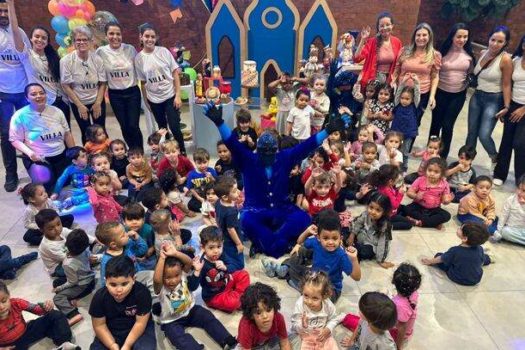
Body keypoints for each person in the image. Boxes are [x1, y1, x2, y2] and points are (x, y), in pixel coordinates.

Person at [203, 100, 351, 258]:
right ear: (257, 150)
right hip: (255, 210)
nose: (267, 155)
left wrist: (328, 130)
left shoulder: (285, 157)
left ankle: (269, 244)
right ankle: (281, 243)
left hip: (283, 208)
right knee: (246, 221)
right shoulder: (248, 159)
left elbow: (307, 145)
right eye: (263, 152)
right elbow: (232, 142)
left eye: (271, 151)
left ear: (277, 150)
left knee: (303, 218)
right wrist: (219, 122)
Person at [153, 242, 238, 350]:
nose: (173, 280)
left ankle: (227, 340)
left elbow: (189, 262)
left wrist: (175, 253)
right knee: (177, 337)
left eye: (176, 275)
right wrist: (161, 258)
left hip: (191, 310)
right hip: (171, 320)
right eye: (167, 277)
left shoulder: (183, 274)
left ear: (181, 272)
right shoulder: (161, 287)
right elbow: (156, 279)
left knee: (208, 317)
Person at [264, 209, 361, 302]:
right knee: (297, 252)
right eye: (326, 238)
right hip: (313, 277)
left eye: (335, 238)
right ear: (318, 237)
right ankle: (287, 271)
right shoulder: (316, 242)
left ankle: (287, 273)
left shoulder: (341, 255)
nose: (330, 242)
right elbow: (299, 242)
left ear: (341, 238)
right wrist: (306, 232)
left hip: (330, 287)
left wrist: (354, 259)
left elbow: (357, 277)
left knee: (321, 298)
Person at [8, 0, 70, 125]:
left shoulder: (53, 57)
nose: (40, 40)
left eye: (44, 38)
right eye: (37, 36)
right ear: (30, 38)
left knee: (64, 136)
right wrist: (10, 4)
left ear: (47, 41)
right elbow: (14, 30)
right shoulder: (27, 55)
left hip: (62, 102)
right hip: (43, 103)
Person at [9, 83, 75, 192]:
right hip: (39, 158)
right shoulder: (20, 115)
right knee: (46, 188)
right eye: (33, 94)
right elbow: (14, 140)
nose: (38, 96)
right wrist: (30, 153)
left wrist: (74, 154)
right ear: (27, 98)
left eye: (41, 93)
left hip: (60, 155)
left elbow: (67, 134)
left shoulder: (57, 111)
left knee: (66, 183)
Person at [466, 25, 513, 168]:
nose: (495, 44)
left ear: (505, 43)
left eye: (500, 41)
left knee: (484, 134)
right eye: (493, 39)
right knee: (472, 132)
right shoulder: (482, 53)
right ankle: (466, 164)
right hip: (477, 96)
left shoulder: (505, 59)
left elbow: (506, 84)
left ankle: (494, 157)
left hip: (494, 99)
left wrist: (506, 106)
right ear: (489, 38)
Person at [135, 24, 186, 155]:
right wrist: (146, 102)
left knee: (175, 127)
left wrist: (178, 95)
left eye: (152, 37)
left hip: (169, 96)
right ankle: (168, 152)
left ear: (156, 38)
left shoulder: (163, 51)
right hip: (154, 100)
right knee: (163, 128)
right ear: (141, 37)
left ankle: (182, 152)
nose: (150, 39)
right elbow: (143, 82)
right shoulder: (139, 59)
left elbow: (175, 73)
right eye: (147, 36)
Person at [89, 255, 156, 349]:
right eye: (113, 284)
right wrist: (112, 345)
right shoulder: (99, 297)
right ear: (106, 281)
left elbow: (140, 323)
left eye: (124, 284)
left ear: (133, 279)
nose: (119, 290)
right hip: (111, 328)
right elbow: (99, 325)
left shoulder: (142, 293)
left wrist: (127, 345)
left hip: (139, 326)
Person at [429, 23, 475, 159]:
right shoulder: (441, 52)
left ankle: (442, 157)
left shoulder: (469, 55)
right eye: (459, 36)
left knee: (448, 126)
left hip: (458, 96)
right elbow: (434, 73)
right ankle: (430, 155)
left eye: (465, 37)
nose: (462, 40)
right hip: (440, 93)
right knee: (435, 124)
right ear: (452, 37)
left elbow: (471, 74)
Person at [97, 22, 143, 149]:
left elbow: (141, 66)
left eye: (118, 34)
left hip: (132, 92)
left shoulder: (130, 49)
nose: (115, 37)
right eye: (111, 34)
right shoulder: (101, 52)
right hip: (115, 94)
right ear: (106, 36)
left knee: (134, 125)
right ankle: (132, 152)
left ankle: (139, 152)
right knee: (124, 126)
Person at [0, 0, 30, 192]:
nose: (3, 14)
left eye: (6, 11)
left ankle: (33, 167)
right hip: (3, 93)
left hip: (23, 92)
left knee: (27, 133)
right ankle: (11, 173)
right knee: (6, 134)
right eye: (0, 11)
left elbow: (25, 57)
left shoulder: (19, 33)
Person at [60, 25, 107, 145]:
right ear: (74, 42)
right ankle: (90, 160)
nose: (81, 42)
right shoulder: (66, 61)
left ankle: (105, 158)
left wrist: (97, 103)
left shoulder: (97, 59)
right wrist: (80, 106)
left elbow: (102, 83)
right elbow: (66, 86)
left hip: (96, 99)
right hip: (78, 101)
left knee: (101, 130)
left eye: (85, 39)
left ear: (91, 41)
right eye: (78, 40)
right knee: (86, 132)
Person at [0, 281, 79, 349]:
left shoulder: (16, 303)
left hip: (26, 331)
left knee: (55, 315)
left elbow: (37, 310)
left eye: (4, 301)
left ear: (9, 296)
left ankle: (64, 344)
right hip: (10, 345)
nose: (1, 307)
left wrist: (46, 306)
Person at [393, 23, 441, 131]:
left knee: (414, 122)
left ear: (429, 37)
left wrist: (432, 96)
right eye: (418, 35)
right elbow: (397, 69)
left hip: (421, 94)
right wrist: (393, 83)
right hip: (402, 92)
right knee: (398, 120)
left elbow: (435, 76)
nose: (421, 38)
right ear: (414, 37)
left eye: (424, 35)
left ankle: (407, 147)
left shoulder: (434, 55)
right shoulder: (404, 51)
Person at [493, 34, 525, 186]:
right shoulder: (515, 61)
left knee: (520, 143)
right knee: (506, 140)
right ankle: (500, 174)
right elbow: (507, 84)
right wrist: (507, 106)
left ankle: (521, 179)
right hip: (513, 105)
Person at [196, 226, 250, 313]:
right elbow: (193, 285)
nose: (216, 251)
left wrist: (225, 267)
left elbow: (233, 266)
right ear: (202, 247)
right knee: (233, 303)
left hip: (226, 283)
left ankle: (237, 296)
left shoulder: (221, 254)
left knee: (244, 274)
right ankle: (239, 297)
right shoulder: (201, 263)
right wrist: (196, 271)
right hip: (214, 296)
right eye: (211, 247)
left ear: (222, 244)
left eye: (219, 246)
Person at [421, 222, 492, 286]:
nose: (458, 228)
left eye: (460, 229)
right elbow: (481, 262)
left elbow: (441, 259)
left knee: (439, 255)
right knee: (480, 257)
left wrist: (430, 261)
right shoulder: (480, 249)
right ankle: (489, 259)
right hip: (475, 280)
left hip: (457, 277)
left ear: (464, 238)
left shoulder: (455, 250)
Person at [289, 271, 343, 349]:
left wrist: (328, 329)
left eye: (315, 298)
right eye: (306, 295)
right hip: (304, 335)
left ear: (324, 296)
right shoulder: (299, 304)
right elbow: (294, 325)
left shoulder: (327, 304)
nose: (309, 302)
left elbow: (334, 319)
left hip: (323, 335)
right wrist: (302, 325)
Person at [52, 229, 95, 326]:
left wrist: (60, 288)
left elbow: (73, 282)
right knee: (57, 282)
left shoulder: (67, 264)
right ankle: (73, 299)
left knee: (57, 297)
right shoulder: (86, 249)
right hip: (90, 278)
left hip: (83, 285)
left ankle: (73, 314)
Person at [354, 12, 403, 90]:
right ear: (378, 28)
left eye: (388, 24)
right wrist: (363, 40)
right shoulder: (373, 42)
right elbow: (357, 59)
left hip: (389, 82)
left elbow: (399, 63)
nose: (385, 27)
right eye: (381, 26)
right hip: (373, 81)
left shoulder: (397, 42)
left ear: (392, 25)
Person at [402, 157, 453, 229]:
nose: (432, 173)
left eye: (436, 172)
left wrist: (447, 201)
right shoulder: (420, 179)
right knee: (406, 209)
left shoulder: (444, 184)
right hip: (418, 206)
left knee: (446, 215)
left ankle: (418, 222)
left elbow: (445, 200)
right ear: (426, 170)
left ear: (442, 174)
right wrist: (416, 196)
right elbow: (409, 192)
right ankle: (432, 223)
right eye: (430, 170)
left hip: (434, 209)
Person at [237, 282, 292, 350]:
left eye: (268, 310)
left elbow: (285, 343)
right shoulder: (246, 326)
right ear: (251, 315)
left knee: (295, 338)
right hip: (251, 346)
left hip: (270, 340)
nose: (265, 316)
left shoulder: (279, 318)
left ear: (274, 308)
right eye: (258, 312)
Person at [348, 192, 395, 268]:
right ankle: (352, 246)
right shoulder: (366, 214)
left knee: (365, 253)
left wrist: (381, 260)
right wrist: (352, 235)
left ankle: (353, 249)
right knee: (347, 230)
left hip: (370, 245)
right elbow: (358, 223)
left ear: (384, 212)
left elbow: (384, 244)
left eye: (378, 210)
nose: (373, 212)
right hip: (361, 236)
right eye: (371, 207)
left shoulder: (385, 226)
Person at [94, 221, 148, 288]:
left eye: (125, 231)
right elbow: (105, 281)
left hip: (138, 273)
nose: (127, 234)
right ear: (113, 244)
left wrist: (138, 238)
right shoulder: (107, 261)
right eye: (123, 235)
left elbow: (143, 250)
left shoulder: (128, 244)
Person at [368, 164, 413, 230]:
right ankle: (386, 226)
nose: (398, 179)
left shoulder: (386, 186)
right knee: (409, 224)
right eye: (397, 178)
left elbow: (393, 196)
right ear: (390, 181)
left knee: (404, 208)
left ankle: (404, 217)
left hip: (389, 209)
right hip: (388, 214)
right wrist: (401, 193)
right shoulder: (386, 191)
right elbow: (395, 205)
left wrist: (398, 190)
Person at [214, 176, 244, 272]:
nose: (238, 192)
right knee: (239, 264)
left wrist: (219, 228)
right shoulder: (231, 212)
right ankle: (227, 268)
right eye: (235, 191)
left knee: (226, 252)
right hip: (232, 239)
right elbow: (231, 229)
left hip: (223, 234)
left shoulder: (218, 202)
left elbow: (216, 216)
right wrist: (239, 244)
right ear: (225, 197)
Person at [391, 74, 420, 172]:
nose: (404, 100)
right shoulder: (397, 104)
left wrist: (416, 83)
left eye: (407, 99)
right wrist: (403, 82)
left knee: (405, 152)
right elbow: (398, 92)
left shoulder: (414, 106)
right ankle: (394, 167)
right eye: (402, 98)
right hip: (396, 132)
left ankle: (404, 168)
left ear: (412, 100)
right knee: (394, 150)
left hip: (408, 133)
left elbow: (417, 94)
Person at [391, 263, 422, 349]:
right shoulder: (414, 293)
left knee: (352, 319)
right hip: (408, 330)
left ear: (393, 281)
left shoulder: (399, 305)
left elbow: (401, 328)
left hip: (397, 334)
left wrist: (398, 347)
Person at [492, 174, 525, 245]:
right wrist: (499, 230)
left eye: (524, 191)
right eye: (519, 188)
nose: (520, 192)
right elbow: (504, 215)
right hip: (513, 229)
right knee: (505, 232)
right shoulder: (511, 200)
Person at [186, 147, 217, 213]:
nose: (202, 165)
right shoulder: (191, 174)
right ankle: (208, 208)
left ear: (208, 161)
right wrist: (199, 198)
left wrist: (211, 177)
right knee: (190, 205)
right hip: (199, 197)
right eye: (199, 163)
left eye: (205, 162)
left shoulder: (211, 171)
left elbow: (217, 183)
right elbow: (191, 188)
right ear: (195, 162)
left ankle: (209, 207)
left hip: (211, 195)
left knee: (219, 200)